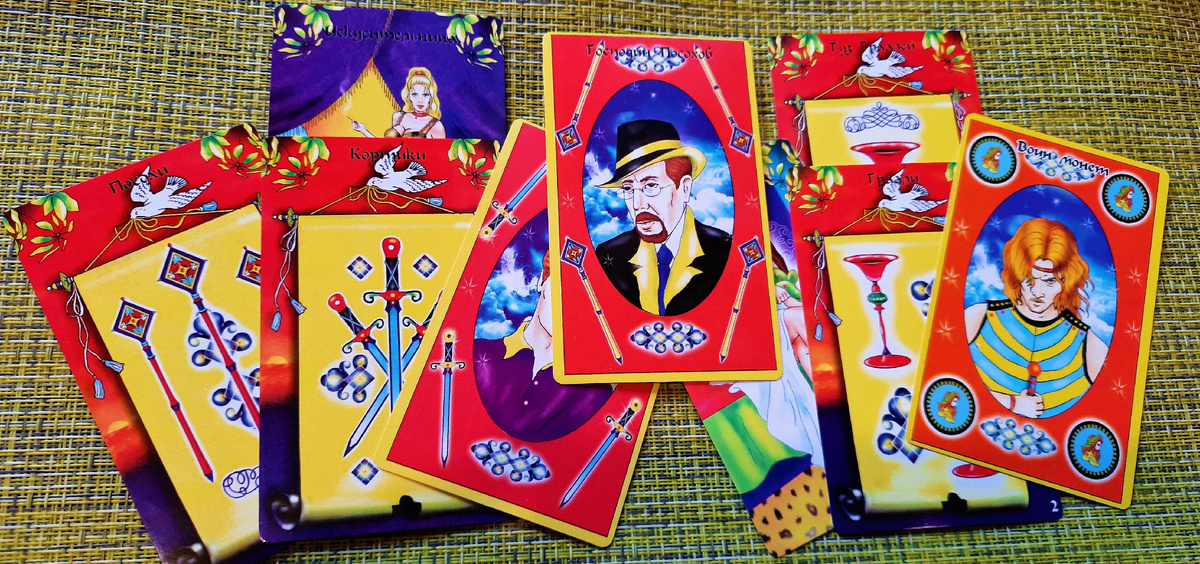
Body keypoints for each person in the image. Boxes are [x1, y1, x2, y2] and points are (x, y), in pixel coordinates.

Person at [965, 218, 1109, 418]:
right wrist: (1011, 402)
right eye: (1029, 279)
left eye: (1050, 281)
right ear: (1016, 273)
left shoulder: (1091, 347)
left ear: (1067, 282)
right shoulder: (978, 318)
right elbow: (944, 377)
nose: (1037, 292)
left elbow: (1112, 410)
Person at [594, 119, 730, 316]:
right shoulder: (610, 255)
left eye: (650, 186)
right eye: (628, 189)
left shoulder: (723, 251)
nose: (637, 204)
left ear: (685, 188)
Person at [726, 246, 823, 467]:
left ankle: (823, 394)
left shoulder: (771, 260)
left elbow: (792, 297)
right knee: (798, 319)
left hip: (783, 320)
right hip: (759, 326)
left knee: (802, 345)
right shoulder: (739, 259)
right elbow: (736, 294)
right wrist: (769, 290)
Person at [351, 67, 446, 139]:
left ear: (431, 97)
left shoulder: (436, 125)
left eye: (425, 95)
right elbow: (386, 149)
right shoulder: (398, 117)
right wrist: (363, 130)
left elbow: (442, 156)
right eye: (415, 94)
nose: (420, 100)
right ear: (409, 96)